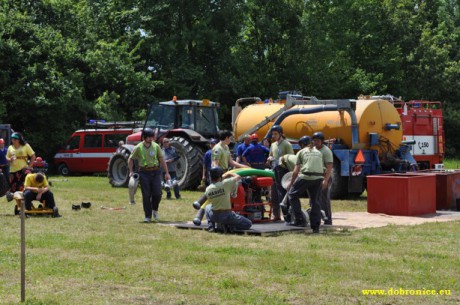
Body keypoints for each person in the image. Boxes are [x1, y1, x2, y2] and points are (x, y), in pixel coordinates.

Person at [128, 128, 170, 223]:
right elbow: (130, 159)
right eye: (149, 137)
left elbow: (162, 160)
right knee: (146, 195)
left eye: (152, 137)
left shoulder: (156, 146)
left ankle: (155, 210)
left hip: (156, 172)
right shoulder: (138, 147)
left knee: (158, 194)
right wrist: (131, 171)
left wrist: (167, 173)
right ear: (144, 137)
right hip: (144, 173)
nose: (151, 139)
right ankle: (147, 216)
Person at [287, 136, 326, 233]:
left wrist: (291, 183)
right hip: (318, 177)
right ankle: (316, 227)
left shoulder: (301, 152)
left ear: (302, 144)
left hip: (306, 176)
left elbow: (296, 171)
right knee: (315, 201)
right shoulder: (318, 152)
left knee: (292, 195)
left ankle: (299, 220)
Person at [204, 166, 252, 232]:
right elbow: (238, 177)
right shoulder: (226, 183)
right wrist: (229, 174)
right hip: (226, 215)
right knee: (248, 224)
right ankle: (231, 226)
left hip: (214, 215)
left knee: (207, 207)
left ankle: (211, 226)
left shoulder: (208, 188)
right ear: (220, 176)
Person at [266, 125, 294, 221]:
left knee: (283, 194)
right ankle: (276, 215)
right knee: (274, 194)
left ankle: (288, 216)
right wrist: (269, 159)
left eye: (275, 134)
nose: (273, 136)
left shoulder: (287, 144)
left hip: (284, 171)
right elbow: (271, 155)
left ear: (281, 134)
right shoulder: (273, 145)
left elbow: (291, 158)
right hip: (274, 170)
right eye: (272, 134)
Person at [312, 132, 334, 225]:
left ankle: (327, 219)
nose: (316, 142)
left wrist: (326, 180)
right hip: (314, 177)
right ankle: (316, 218)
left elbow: (329, 167)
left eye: (318, 141)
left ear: (322, 141)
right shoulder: (313, 149)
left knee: (324, 199)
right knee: (313, 198)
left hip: (324, 176)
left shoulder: (326, 151)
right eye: (314, 141)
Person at [6, 132, 36, 198]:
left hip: (23, 170)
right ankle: (18, 204)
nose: (13, 141)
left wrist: (29, 167)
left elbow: (33, 156)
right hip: (13, 171)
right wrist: (9, 159)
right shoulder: (10, 147)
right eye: (12, 139)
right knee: (15, 190)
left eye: (15, 139)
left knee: (24, 186)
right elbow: (7, 157)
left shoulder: (26, 146)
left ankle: (30, 197)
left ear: (19, 139)